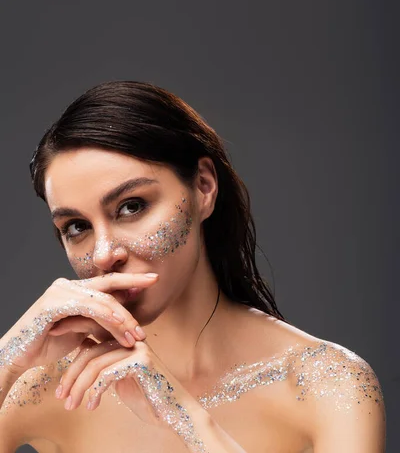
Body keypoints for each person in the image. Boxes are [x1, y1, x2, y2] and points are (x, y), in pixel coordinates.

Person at [0, 80, 386, 452]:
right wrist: (9, 356)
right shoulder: (52, 386)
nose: (103, 254)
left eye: (132, 206)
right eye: (77, 227)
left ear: (203, 186)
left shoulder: (325, 384)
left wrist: (182, 414)